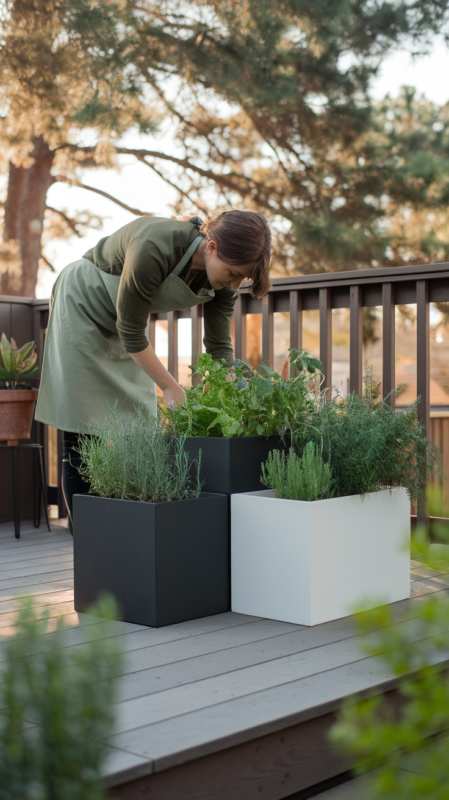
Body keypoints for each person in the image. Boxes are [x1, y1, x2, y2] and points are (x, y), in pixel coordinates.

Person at [35, 209, 272, 528]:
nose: (234, 283)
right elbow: (132, 331)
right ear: (212, 247)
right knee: (81, 433)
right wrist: (171, 386)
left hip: (124, 323)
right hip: (83, 304)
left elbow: (218, 348)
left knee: (139, 428)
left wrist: (230, 393)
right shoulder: (154, 245)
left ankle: (122, 532)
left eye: (241, 278)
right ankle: (87, 540)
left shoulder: (224, 283)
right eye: (232, 273)